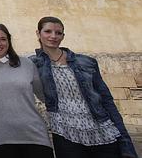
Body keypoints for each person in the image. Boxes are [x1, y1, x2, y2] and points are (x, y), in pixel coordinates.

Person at [30, 16, 138, 158]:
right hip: (64, 131)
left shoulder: (86, 62)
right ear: (38, 33)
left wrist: (124, 139)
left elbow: (106, 100)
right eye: (48, 31)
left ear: (63, 36)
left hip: (101, 128)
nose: (53, 36)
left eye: (58, 33)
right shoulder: (32, 64)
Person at [0, 23, 52, 158]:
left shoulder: (27, 64)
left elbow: (45, 96)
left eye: (3, 39)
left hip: (35, 136)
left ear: (9, 41)